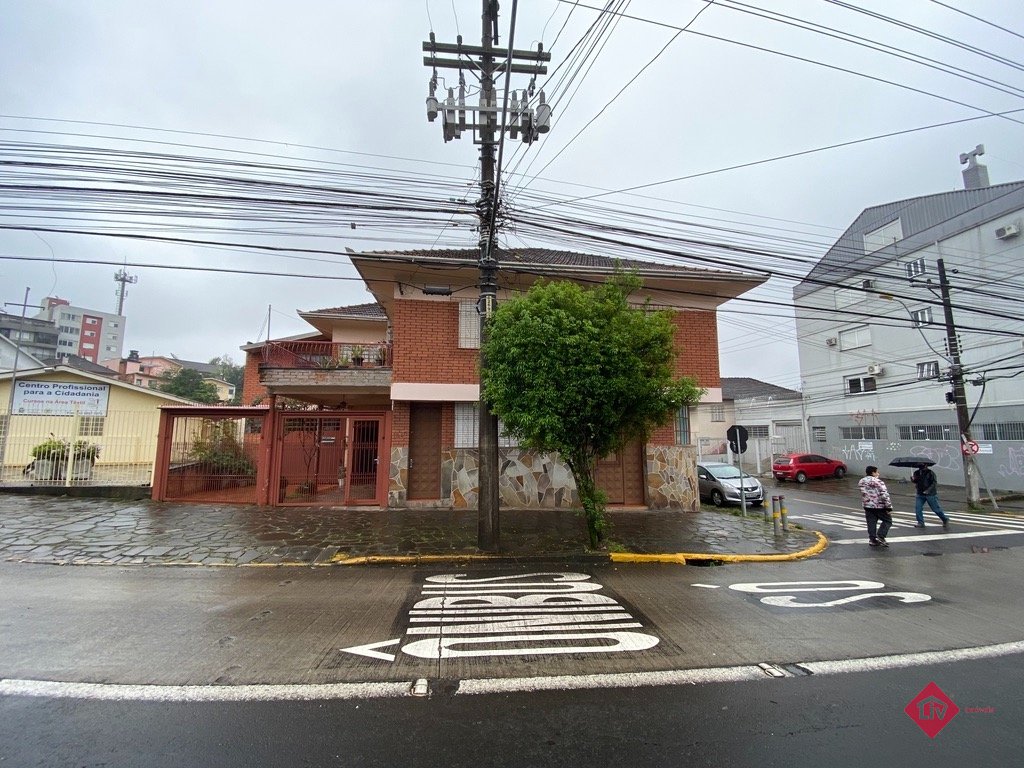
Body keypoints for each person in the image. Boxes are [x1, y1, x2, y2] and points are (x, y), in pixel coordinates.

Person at [858, 466, 893, 547]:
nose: (878, 473)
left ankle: (872, 539)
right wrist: (888, 507)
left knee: (871, 522)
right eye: (877, 472)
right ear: (873, 473)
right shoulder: (878, 482)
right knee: (888, 521)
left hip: (867, 505)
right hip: (879, 506)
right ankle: (881, 535)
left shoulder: (861, 481)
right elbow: (884, 495)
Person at [912, 463, 950, 528]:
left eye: (922, 465)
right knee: (918, 508)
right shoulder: (916, 472)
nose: (920, 466)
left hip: (930, 494)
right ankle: (920, 522)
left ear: (926, 465)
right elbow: (916, 481)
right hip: (920, 493)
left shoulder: (930, 473)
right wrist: (913, 480)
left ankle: (944, 519)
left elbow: (934, 483)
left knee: (935, 509)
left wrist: (928, 490)